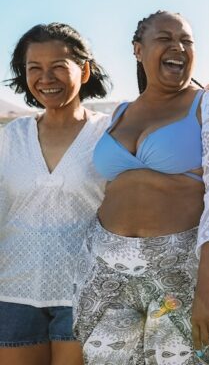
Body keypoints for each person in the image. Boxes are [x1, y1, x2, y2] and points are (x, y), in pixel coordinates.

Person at [72, 11, 209, 364]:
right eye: (164, 38)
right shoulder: (118, 113)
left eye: (186, 41)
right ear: (138, 49)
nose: (177, 47)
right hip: (105, 269)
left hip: (179, 269)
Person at [0, 23, 111, 365]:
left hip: (82, 291)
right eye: (34, 68)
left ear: (85, 69)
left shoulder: (109, 133)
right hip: (11, 289)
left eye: (58, 67)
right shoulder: (11, 135)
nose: (45, 78)